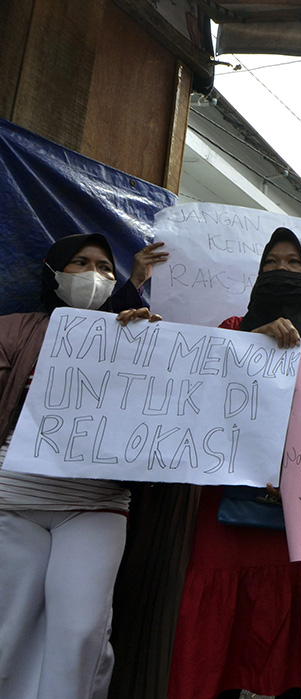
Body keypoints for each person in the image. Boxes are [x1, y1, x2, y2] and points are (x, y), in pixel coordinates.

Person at [168, 228, 301, 699]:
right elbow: (202, 402)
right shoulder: (233, 330)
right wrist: (251, 347)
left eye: (293, 263)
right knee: (221, 630)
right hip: (226, 506)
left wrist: (294, 474)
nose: (281, 270)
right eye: (271, 262)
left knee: (290, 637)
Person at [0, 233, 162, 699]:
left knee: (82, 632)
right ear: (52, 271)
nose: (95, 274)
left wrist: (141, 342)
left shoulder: (137, 334)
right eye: (80, 263)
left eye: (105, 268)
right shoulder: (12, 330)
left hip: (94, 506)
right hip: (13, 502)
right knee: (7, 631)